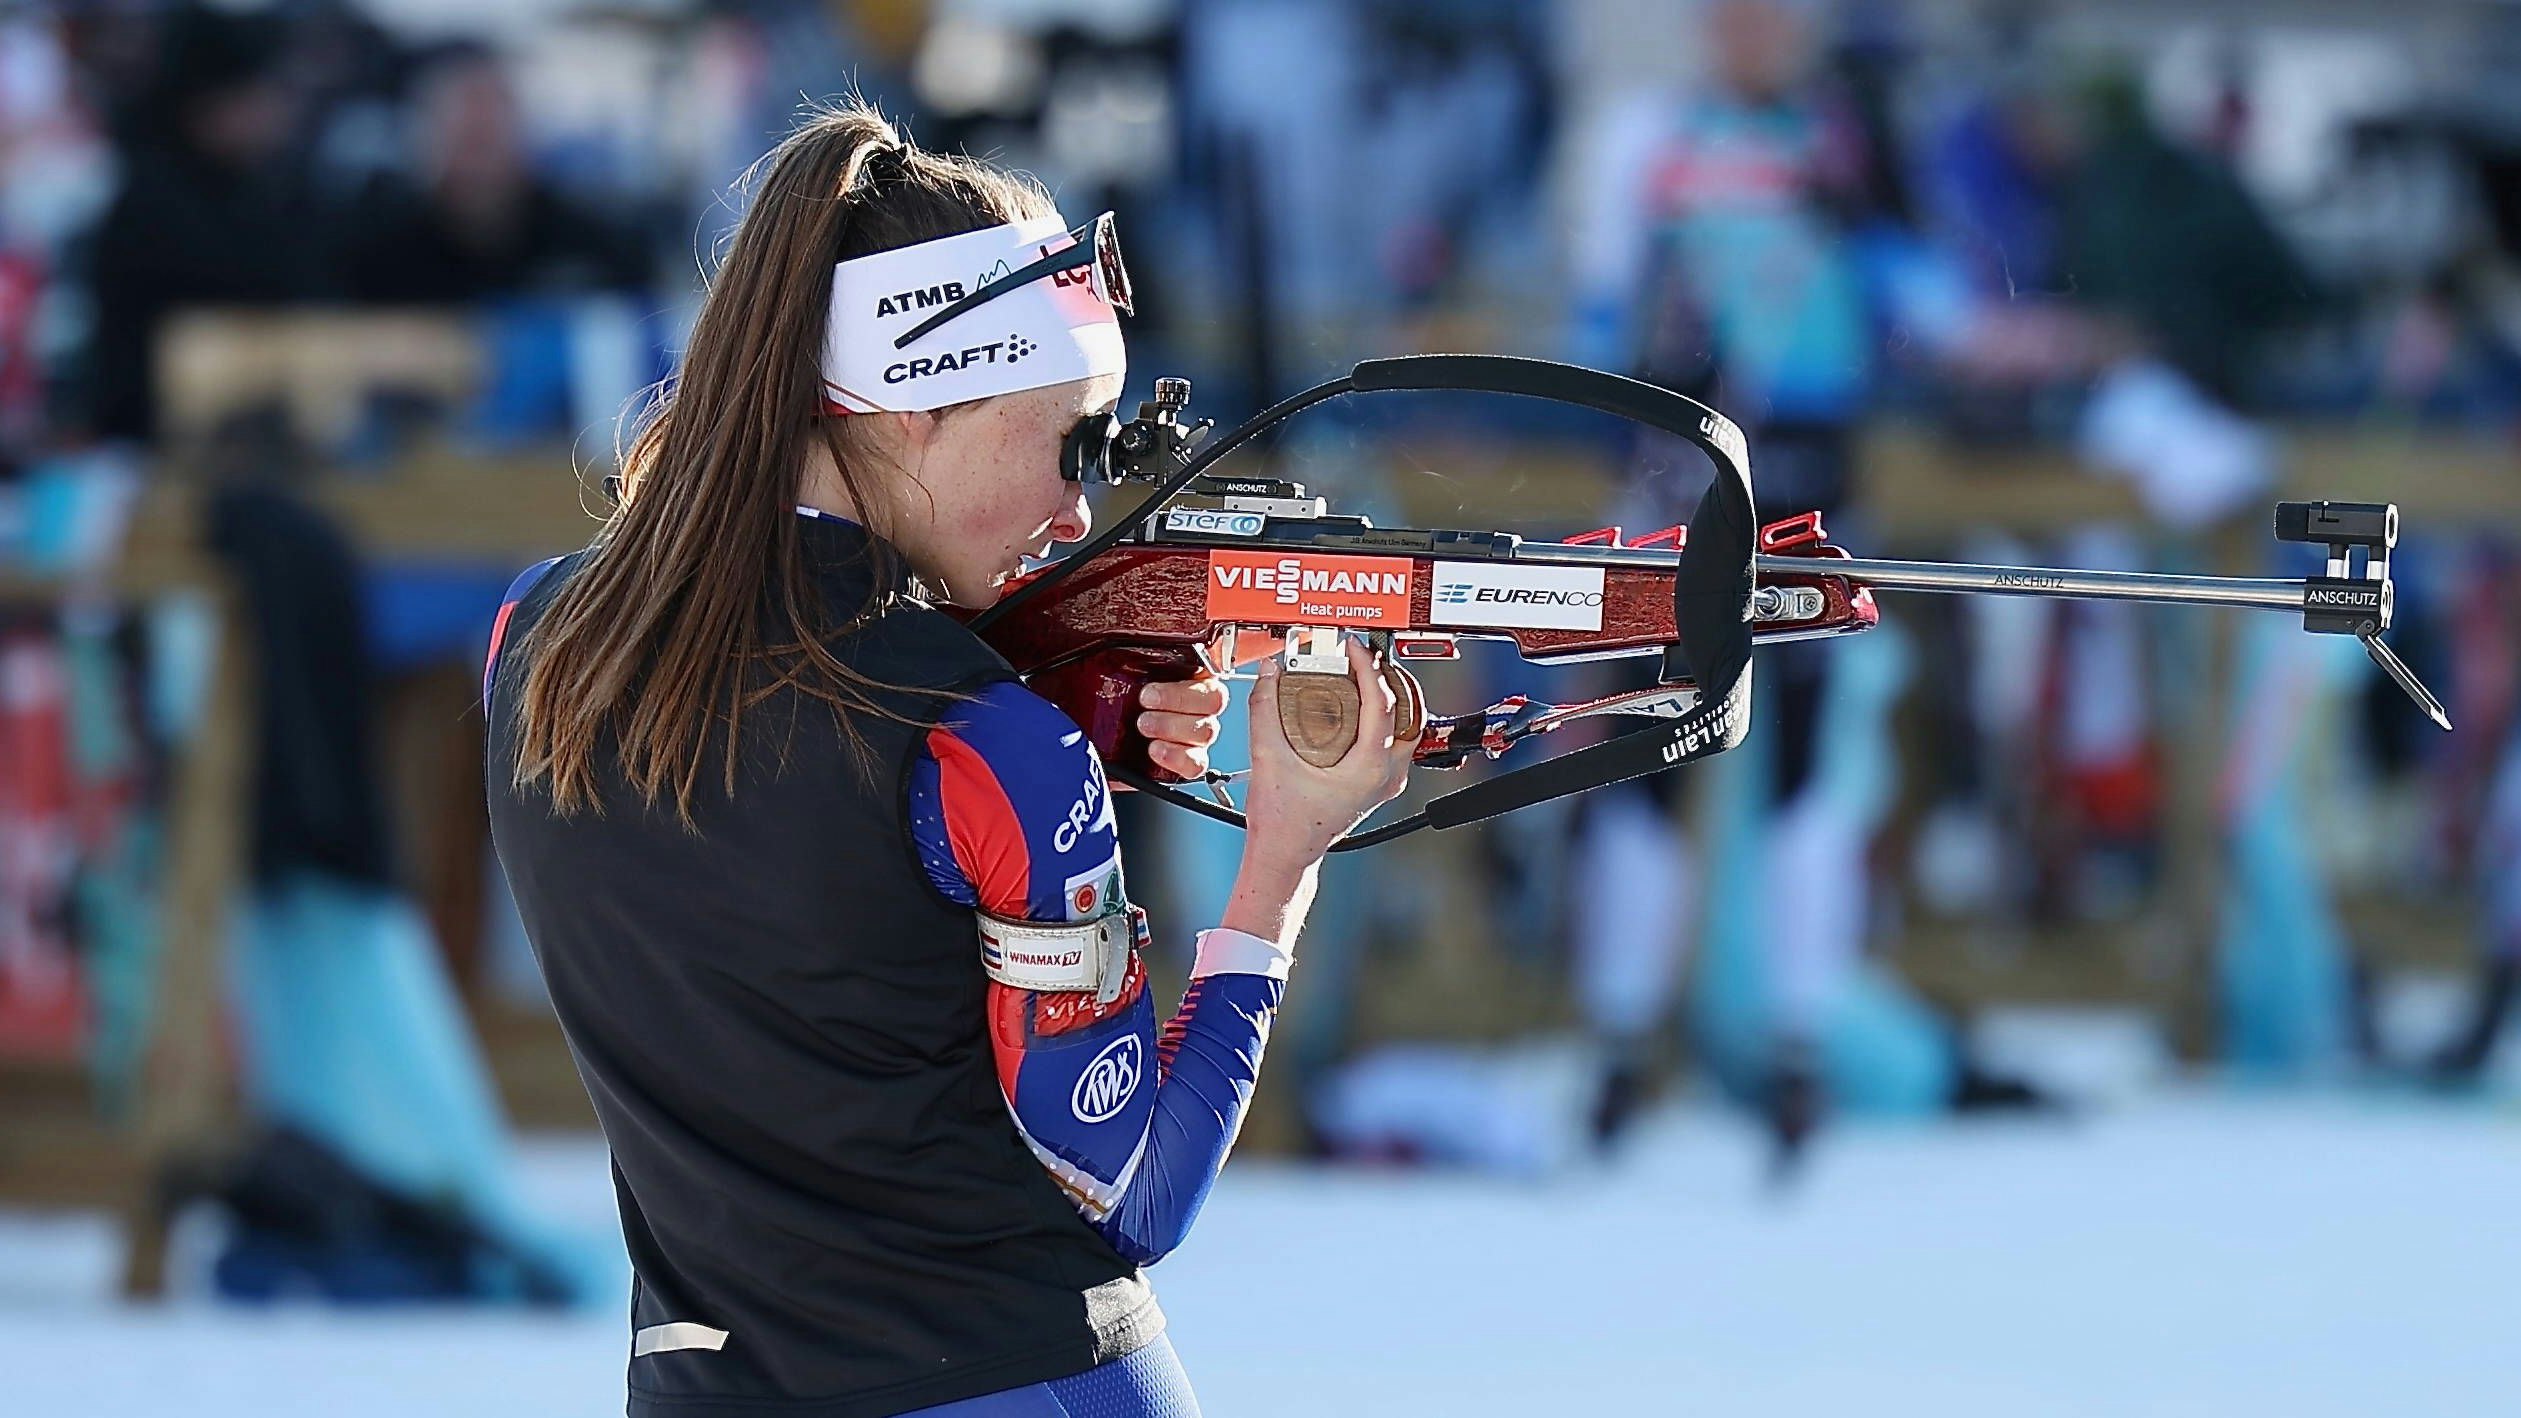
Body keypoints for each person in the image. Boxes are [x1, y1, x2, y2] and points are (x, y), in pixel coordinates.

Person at [483, 101, 1414, 1417]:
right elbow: (1136, 1190)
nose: (1079, 507)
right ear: (916, 409)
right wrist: (1280, 857)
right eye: (1063, 437)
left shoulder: (537, 640)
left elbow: (792, 854)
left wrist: (1067, 727)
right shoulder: (981, 736)